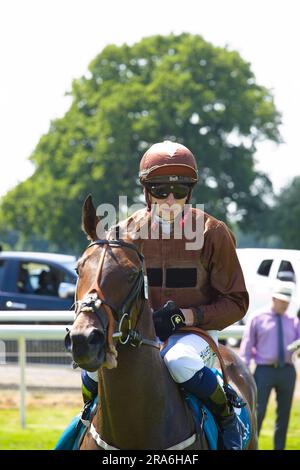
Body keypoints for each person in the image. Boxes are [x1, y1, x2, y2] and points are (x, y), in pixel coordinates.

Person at [79, 141, 249, 450]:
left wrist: (188, 316)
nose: (170, 199)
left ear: (190, 191)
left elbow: (237, 302)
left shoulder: (213, 233)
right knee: (92, 373)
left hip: (193, 334)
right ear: (146, 191)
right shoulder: (123, 235)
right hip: (138, 336)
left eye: (180, 190)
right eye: (160, 190)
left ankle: (228, 419)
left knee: (179, 361)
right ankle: (84, 424)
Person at [240, 280, 300, 450]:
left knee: (284, 415)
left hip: (287, 371)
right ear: (274, 299)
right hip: (264, 371)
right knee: (258, 412)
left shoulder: (294, 321)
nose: (285, 305)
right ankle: (253, 446)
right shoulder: (258, 318)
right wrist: (244, 373)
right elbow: (247, 346)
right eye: (283, 301)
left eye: (288, 302)